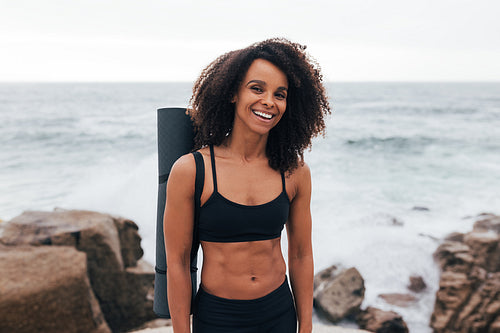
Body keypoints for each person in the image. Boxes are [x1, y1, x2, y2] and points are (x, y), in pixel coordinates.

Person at [164, 38, 331, 333]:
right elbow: (177, 262)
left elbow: (302, 254)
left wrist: (305, 325)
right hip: (218, 317)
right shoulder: (192, 170)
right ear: (232, 93)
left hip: (278, 313)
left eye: (280, 94)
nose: (269, 101)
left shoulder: (294, 172)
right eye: (257, 88)